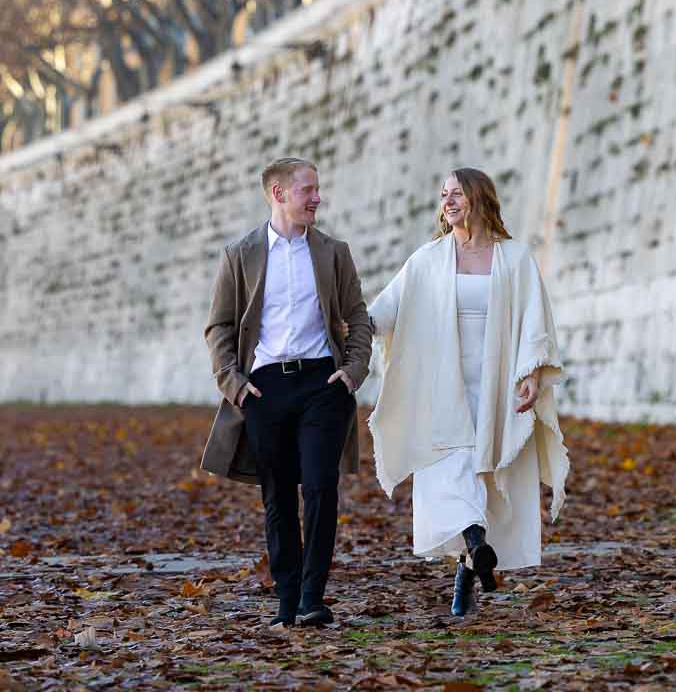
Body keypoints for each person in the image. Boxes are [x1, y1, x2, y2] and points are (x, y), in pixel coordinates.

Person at [365, 167, 569, 616]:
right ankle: (476, 544)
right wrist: (348, 322)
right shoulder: (428, 259)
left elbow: (535, 322)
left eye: (457, 193)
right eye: (443, 194)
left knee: (486, 476)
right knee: (447, 467)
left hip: (496, 384)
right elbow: (386, 309)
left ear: (479, 198)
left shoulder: (514, 259)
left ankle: (467, 572)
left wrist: (531, 375)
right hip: (442, 385)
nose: (448, 201)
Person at [201, 158, 374, 628]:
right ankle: (287, 597)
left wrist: (354, 370)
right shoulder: (241, 254)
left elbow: (358, 317)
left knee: (321, 486)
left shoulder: (334, 252)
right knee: (277, 496)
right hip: (265, 388)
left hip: (323, 384)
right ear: (278, 195)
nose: (317, 198)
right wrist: (234, 385)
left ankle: (312, 597)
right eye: (308, 190)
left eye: (317, 189)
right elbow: (218, 326)